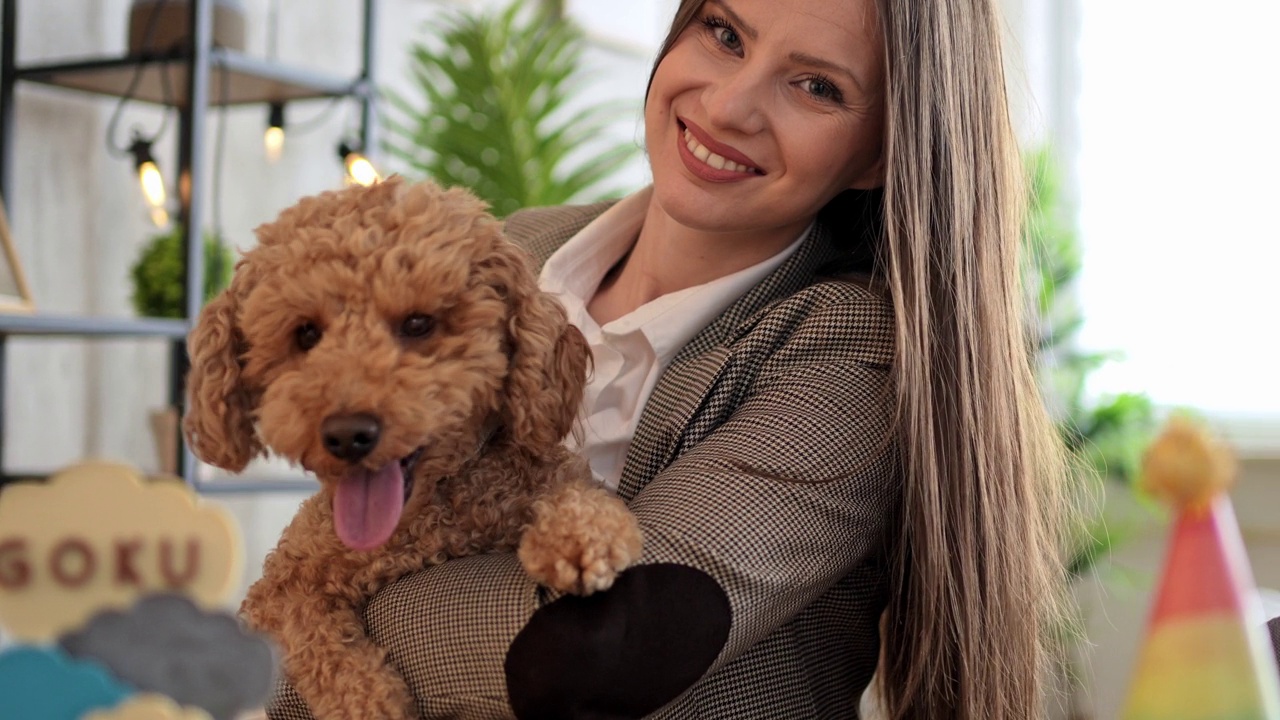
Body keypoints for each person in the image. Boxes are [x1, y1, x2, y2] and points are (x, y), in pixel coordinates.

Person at [270, 0, 1077, 717]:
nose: (729, 106)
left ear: (879, 152)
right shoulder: (516, 250)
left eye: (816, 86)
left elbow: (597, 654)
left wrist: (315, 617)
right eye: (724, 32)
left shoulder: (853, 353)